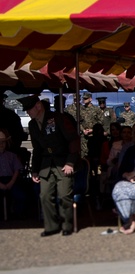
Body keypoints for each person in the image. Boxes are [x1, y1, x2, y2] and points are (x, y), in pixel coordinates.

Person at [23, 95, 80, 236]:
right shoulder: (32, 124)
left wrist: (70, 163)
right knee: (44, 196)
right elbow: (37, 149)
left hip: (63, 162)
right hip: (46, 164)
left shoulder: (58, 118)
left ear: (38, 106)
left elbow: (73, 140)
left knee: (64, 196)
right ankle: (51, 226)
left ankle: (67, 225)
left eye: (29, 109)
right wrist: (35, 170)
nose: (27, 112)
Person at [0, 127, 26, 218]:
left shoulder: (12, 156)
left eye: (3, 142)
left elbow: (17, 170)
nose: (1, 144)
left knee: (20, 196)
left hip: (11, 179)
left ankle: (16, 215)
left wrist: (11, 183)